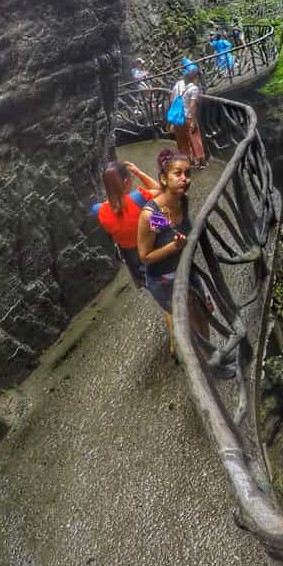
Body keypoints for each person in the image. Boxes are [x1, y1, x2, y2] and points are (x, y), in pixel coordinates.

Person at [137, 153, 193, 359]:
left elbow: (168, 230)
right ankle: (184, 352)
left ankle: (207, 355)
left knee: (198, 311)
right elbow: (145, 255)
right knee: (182, 317)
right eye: (177, 173)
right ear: (163, 178)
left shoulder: (182, 201)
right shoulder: (153, 214)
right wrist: (174, 246)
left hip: (184, 269)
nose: (184, 178)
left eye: (187, 173)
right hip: (163, 278)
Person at [93, 160, 162, 288]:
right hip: (151, 245)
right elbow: (159, 189)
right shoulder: (138, 198)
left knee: (150, 281)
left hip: (132, 256)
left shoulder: (99, 211)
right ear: (126, 182)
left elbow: (100, 207)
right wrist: (139, 173)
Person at [169, 68, 206, 168]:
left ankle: (188, 162)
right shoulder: (194, 88)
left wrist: (173, 120)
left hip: (177, 118)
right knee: (195, 139)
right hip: (188, 118)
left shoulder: (178, 84)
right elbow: (192, 106)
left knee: (182, 141)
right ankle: (201, 162)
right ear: (196, 77)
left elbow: (172, 99)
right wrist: (193, 121)